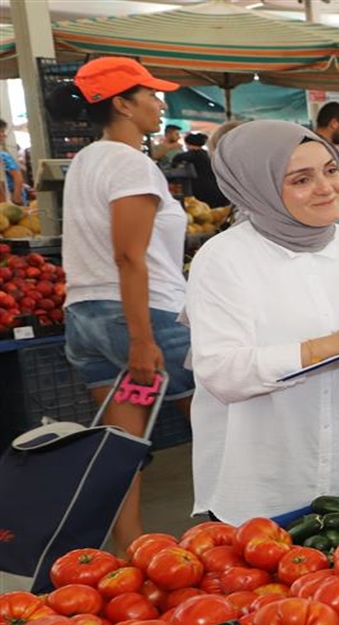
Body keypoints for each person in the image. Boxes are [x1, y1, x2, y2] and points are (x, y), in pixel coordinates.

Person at [186, 120, 339, 524]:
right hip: (264, 482)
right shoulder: (225, 258)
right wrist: (330, 345)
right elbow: (222, 373)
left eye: (330, 170)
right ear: (254, 186)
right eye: (301, 179)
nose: (327, 188)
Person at [45, 57, 195, 550]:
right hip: (141, 319)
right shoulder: (130, 163)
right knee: (222, 420)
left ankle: (128, 547)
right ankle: (244, 529)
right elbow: (130, 257)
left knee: (123, 442)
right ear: (122, 104)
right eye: (150, 94)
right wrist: (142, 339)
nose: (159, 102)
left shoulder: (88, 159)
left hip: (88, 319)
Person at [172, 132, 228, 208]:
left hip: (203, 189)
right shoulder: (206, 153)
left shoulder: (192, 154)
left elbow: (176, 159)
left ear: (188, 144)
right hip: (216, 187)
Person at [0, 119, 28, 205]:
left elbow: (17, 177)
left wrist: (16, 198)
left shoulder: (3, 156)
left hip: (12, 198)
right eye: (1, 131)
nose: (5, 135)